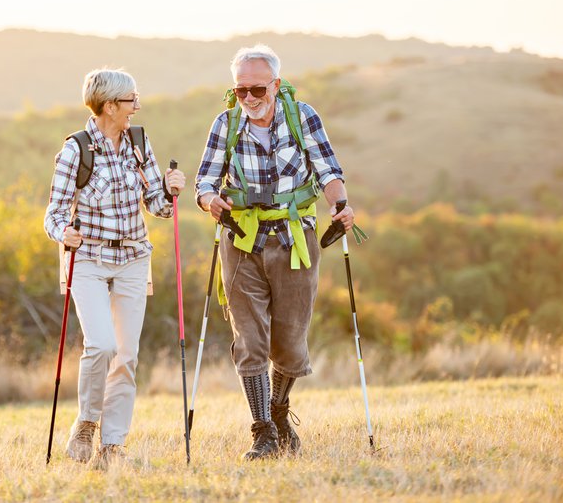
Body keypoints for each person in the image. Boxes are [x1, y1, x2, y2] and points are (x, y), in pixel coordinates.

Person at [194, 44, 354, 460]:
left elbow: (328, 171)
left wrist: (340, 206)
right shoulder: (225, 123)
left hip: (294, 240)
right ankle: (262, 429)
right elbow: (205, 181)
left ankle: (280, 411)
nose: (248, 98)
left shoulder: (303, 117)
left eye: (257, 90)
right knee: (249, 339)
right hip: (242, 242)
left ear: (276, 85)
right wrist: (209, 200)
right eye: (240, 89)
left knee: (289, 341)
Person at [44, 68, 185, 467]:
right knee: (102, 345)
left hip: (133, 258)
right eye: (131, 101)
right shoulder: (77, 149)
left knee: (126, 355)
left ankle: (112, 446)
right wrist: (63, 234)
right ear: (110, 106)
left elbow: (157, 206)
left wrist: (170, 189)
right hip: (87, 258)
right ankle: (86, 423)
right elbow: (53, 214)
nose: (136, 108)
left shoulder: (139, 143)